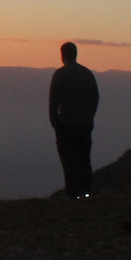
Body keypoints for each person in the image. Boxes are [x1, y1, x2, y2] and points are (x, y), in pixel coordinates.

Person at [49, 42, 100, 199]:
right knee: (84, 158)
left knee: (68, 159)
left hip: (66, 124)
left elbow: (53, 101)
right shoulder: (87, 74)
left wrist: (55, 122)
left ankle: (72, 193)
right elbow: (95, 97)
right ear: (76, 54)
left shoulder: (60, 74)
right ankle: (86, 192)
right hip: (85, 124)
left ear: (62, 55)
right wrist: (90, 117)